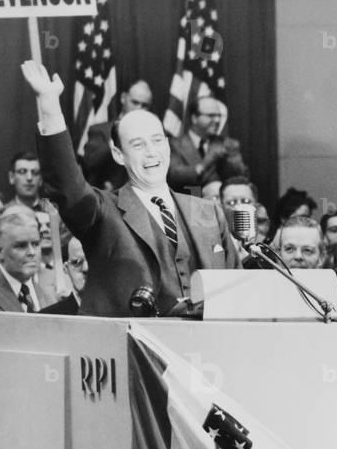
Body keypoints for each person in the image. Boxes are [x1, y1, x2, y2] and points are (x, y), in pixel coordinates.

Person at [20, 59, 238, 317]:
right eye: (137, 144)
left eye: (157, 141)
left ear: (168, 145)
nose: (151, 152)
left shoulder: (208, 211)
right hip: (133, 351)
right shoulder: (103, 213)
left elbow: (237, 291)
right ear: (118, 154)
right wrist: (49, 106)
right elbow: (67, 186)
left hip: (207, 349)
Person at [81, 79, 153, 190]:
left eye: (144, 105)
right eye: (135, 102)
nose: (139, 108)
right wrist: (119, 136)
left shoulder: (151, 134)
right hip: (107, 198)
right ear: (123, 98)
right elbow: (90, 163)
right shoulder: (100, 130)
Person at [277, 217, 337, 312]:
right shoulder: (261, 293)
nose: (298, 256)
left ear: (321, 257)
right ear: (279, 254)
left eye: (307, 250)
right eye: (289, 249)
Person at [167, 95, 246, 192]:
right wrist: (208, 161)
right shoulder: (174, 144)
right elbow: (174, 177)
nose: (217, 120)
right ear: (194, 118)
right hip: (189, 201)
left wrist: (230, 161)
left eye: (219, 116)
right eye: (211, 116)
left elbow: (242, 178)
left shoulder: (228, 144)